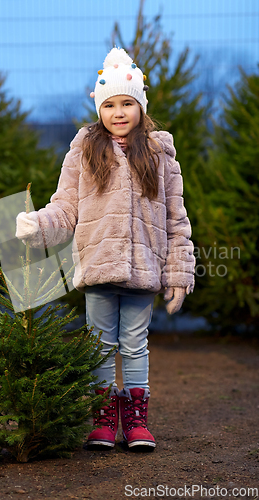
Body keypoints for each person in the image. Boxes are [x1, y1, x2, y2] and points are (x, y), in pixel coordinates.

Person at [16, 47, 195, 451]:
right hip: (98, 267)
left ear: (141, 106)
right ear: (99, 107)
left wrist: (179, 273)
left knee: (135, 342)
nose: (119, 112)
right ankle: (101, 418)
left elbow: (176, 220)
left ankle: (135, 422)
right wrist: (38, 225)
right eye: (110, 103)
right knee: (97, 343)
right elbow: (65, 205)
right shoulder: (84, 150)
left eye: (128, 103)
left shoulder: (160, 154)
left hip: (142, 270)